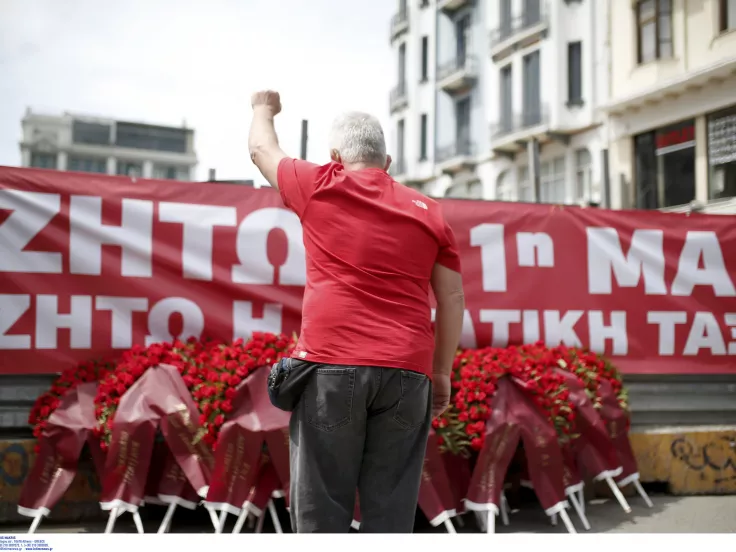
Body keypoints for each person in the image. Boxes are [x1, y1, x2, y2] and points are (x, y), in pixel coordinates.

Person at [248, 90, 465, 533]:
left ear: (334, 156)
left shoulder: (319, 183)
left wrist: (263, 108)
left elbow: (260, 149)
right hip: (408, 373)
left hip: (332, 367)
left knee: (321, 510)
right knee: (391, 513)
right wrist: (441, 373)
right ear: (387, 162)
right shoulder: (431, 214)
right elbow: (452, 300)